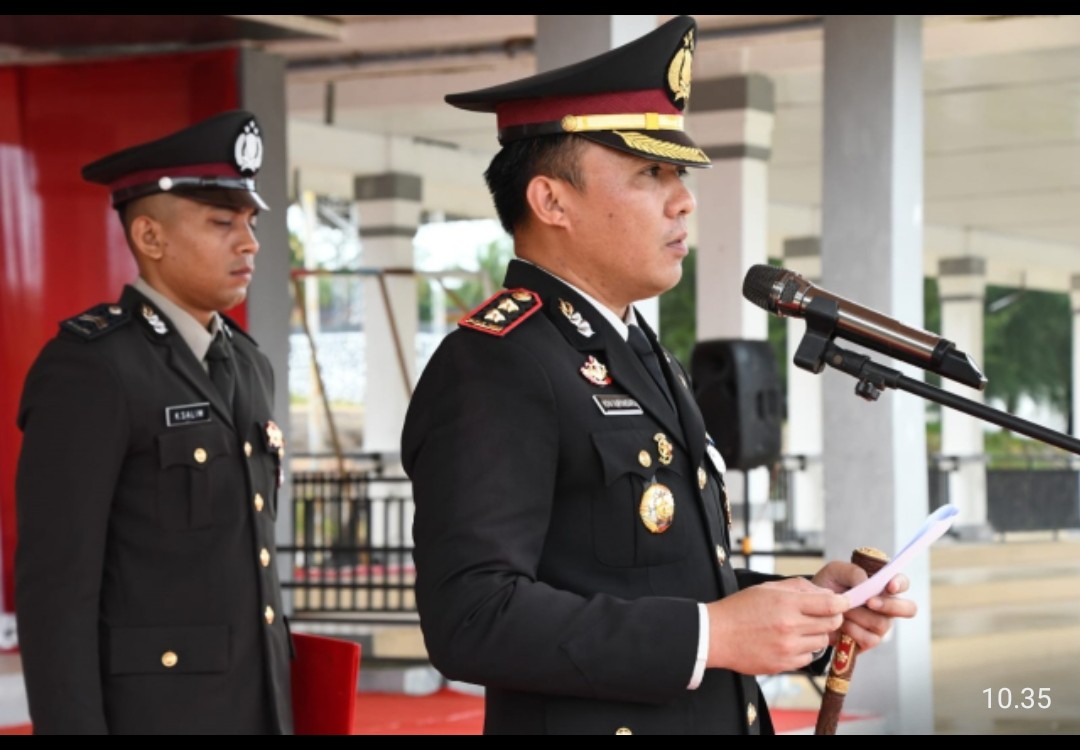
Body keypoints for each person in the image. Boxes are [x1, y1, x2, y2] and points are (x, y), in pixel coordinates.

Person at [401, 16, 916, 735]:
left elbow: (655, 579)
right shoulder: (499, 362)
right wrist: (713, 635)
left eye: (678, 173)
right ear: (551, 202)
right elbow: (472, 617)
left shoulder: (638, 349)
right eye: (651, 173)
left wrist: (804, 607)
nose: (684, 200)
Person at [14, 110, 292, 734]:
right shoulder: (93, 368)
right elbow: (57, 591)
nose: (249, 243)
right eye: (222, 222)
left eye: (250, 223)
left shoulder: (249, 364)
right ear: (150, 237)